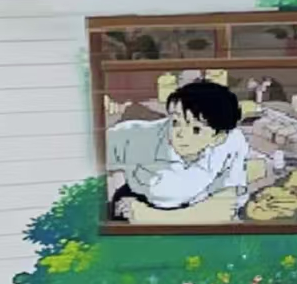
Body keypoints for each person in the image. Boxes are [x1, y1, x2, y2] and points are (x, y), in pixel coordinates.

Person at [106, 80, 250, 223]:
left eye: (196, 129)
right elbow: (98, 152)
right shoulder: (138, 136)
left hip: (191, 206)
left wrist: (147, 216)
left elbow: (225, 206)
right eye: (176, 122)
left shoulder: (232, 141)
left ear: (218, 137)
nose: (180, 134)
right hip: (140, 201)